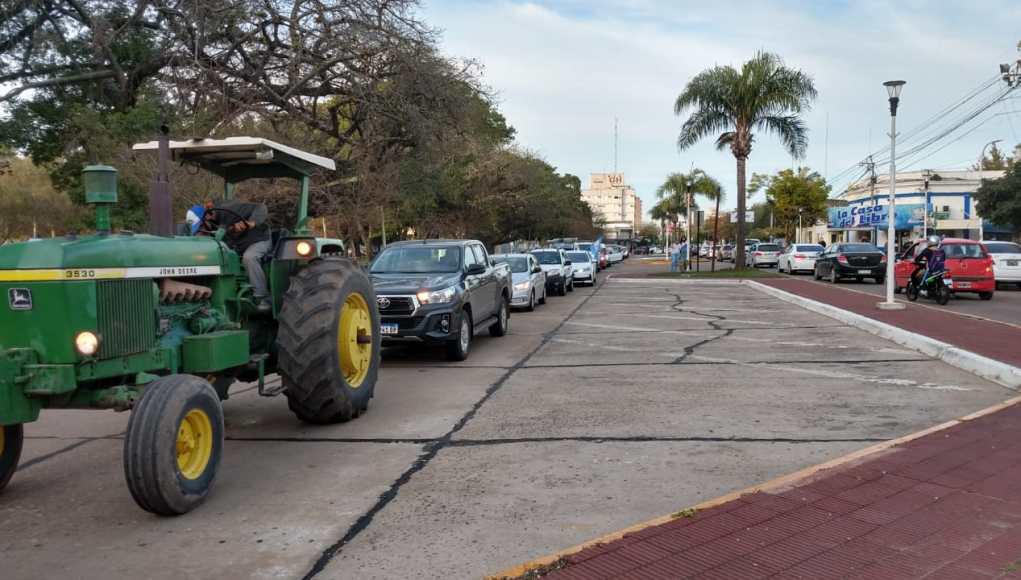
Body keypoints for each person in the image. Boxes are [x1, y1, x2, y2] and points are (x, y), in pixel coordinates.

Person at [204, 200, 273, 313]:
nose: (207, 214)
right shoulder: (215, 221)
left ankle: (261, 296)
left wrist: (251, 222)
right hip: (239, 245)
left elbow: (262, 207)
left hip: (258, 240)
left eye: (208, 210)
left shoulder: (232, 208)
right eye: (206, 212)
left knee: (249, 257)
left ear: (213, 207)